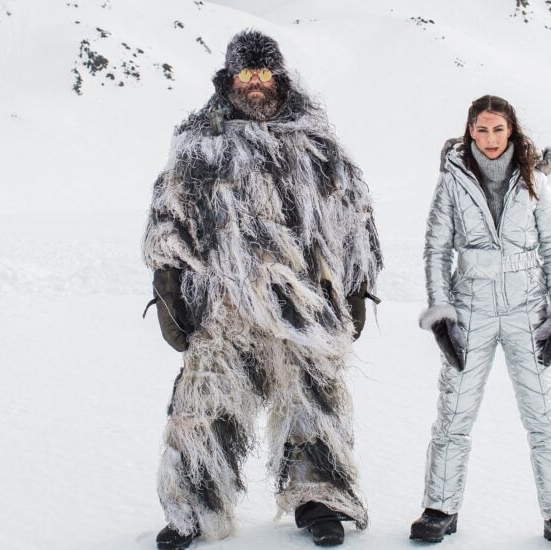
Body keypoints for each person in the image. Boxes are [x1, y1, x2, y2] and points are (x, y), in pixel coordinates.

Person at [141, 29, 382, 549]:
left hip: (302, 307)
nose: (255, 84)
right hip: (225, 307)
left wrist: (358, 288)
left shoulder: (316, 141)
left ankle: (320, 499)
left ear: (279, 78)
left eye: (263, 74)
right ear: (230, 79)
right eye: (245, 74)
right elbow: (169, 216)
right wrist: (168, 288)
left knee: (314, 403)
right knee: (203, 405)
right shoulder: (199, 142)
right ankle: (192, 508)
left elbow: (353, 217)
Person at [410, 95, 551, 550]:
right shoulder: (452, 178)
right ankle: (440, 508)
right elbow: (436, 249)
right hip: (471, 307)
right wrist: (441, 314)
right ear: (470, 130)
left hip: (527, 307)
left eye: (499, 129)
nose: (490, 139)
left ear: (512, 130)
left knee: (544, 415)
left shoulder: (534, 179)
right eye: (482, 130)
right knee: (454, 413)